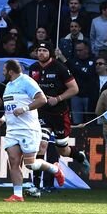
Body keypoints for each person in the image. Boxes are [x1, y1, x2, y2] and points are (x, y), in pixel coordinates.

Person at [0, 59, 64, 201]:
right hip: (12, 130)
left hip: (28, 129)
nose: (3, 73)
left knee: (30, 164)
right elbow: (10, 107)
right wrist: (3, 119)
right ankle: (17, 194)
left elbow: (42, 99)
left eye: (4, 70)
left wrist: (25, 108)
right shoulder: (8, 85)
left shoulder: (27, 81)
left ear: (10, 71)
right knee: (13, 160)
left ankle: (55, 169)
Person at [31, 41, 81, 195]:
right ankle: (35, 185)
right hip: (42, 113)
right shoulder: (33, 68)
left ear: (50, 53)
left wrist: (58, 98)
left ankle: (80, 157)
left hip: (59, 114)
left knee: (63, 149)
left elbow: (74, 89)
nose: (41, 53)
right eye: (39, 50)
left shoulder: (60, 68)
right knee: (41, 145)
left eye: (44, 50)